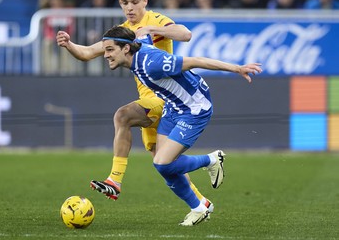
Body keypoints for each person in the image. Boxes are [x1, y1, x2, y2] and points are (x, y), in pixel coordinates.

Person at [56, 0, 214, 213]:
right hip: (149, 101)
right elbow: (88, 52)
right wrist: (70, 45)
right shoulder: (122, 33)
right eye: (124, 3)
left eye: (134, 2)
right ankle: (202, 203)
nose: (129, 7)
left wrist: (152, 30)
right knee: (163, 163)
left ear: (145, 1)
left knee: (122, 116)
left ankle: (115, 180)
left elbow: (185, 34)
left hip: (165, 98)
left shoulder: (155, 20)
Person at [101, 25, 262, 226]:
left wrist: (237, 68)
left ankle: (211, 160)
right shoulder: (138, 48)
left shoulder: (153, 64)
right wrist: (146, 29)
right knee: (164, 167)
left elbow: (196, 61)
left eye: (109, 50)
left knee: (162, 162)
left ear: (125, 49)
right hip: (173, 107)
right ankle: (199, 208)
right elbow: (144, 35)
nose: (105, 55)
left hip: (195, 108)